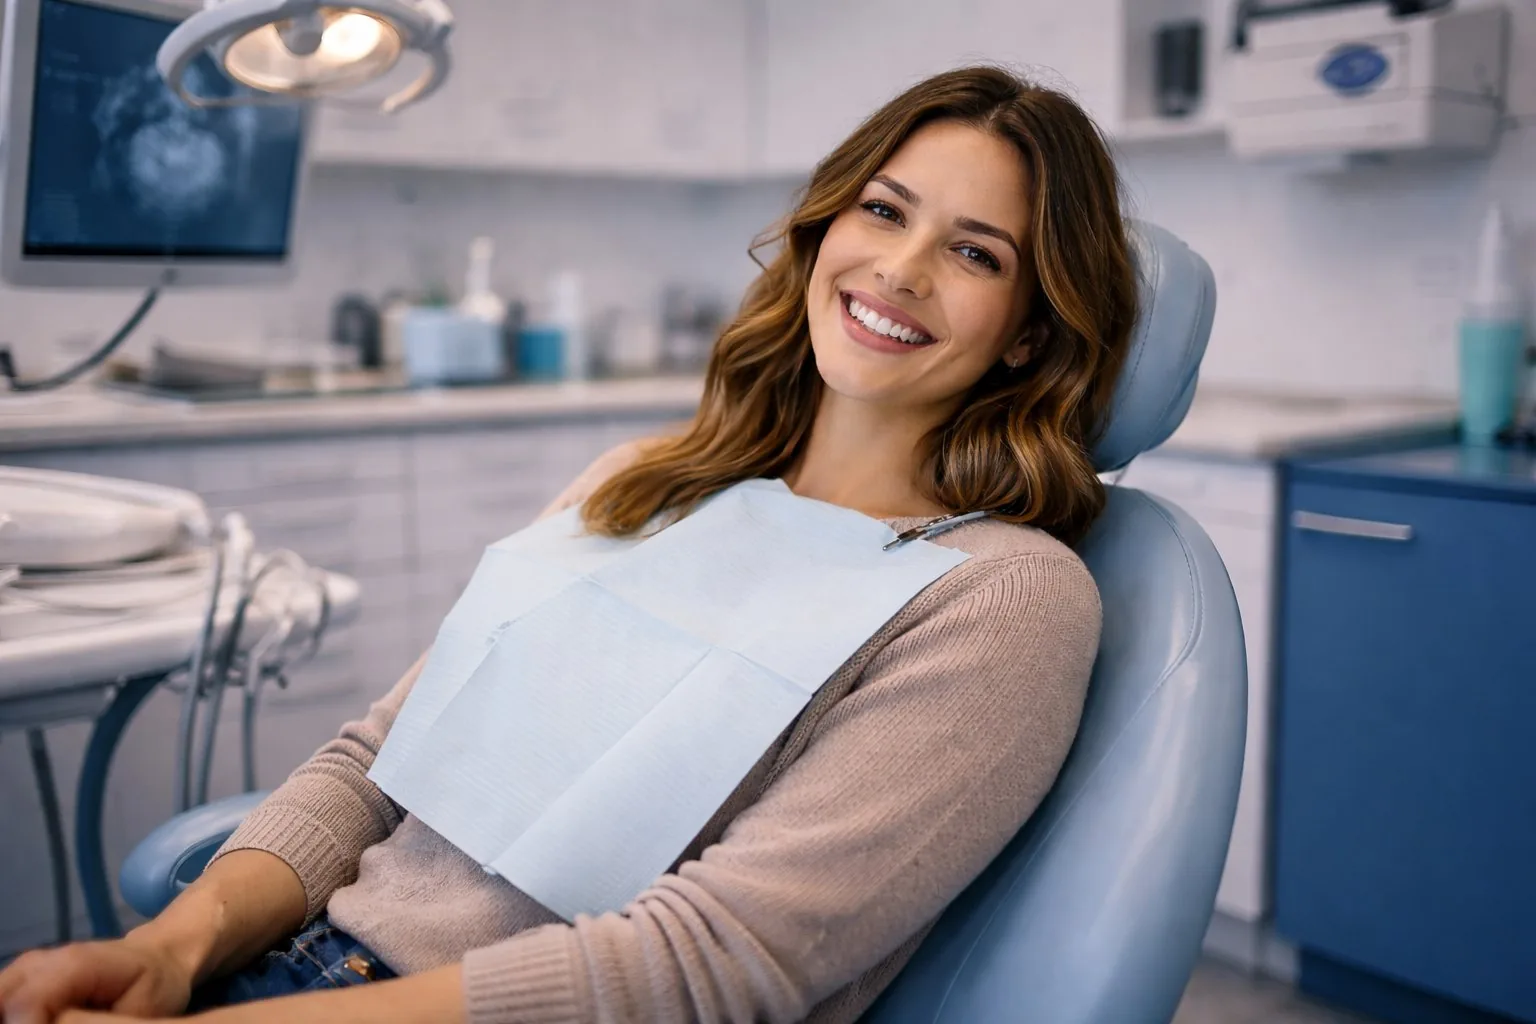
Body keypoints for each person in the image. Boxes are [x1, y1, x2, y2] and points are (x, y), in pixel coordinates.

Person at [0, 64, 1138, 1024]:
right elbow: (378, 763)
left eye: (976, 253)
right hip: (304, 970)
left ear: (1031, 331)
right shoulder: (642, 484)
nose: (900, 267)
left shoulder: (1000, 594)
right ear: (828, 225)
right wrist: (172, 950)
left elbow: (704, 963)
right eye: (884, 210)